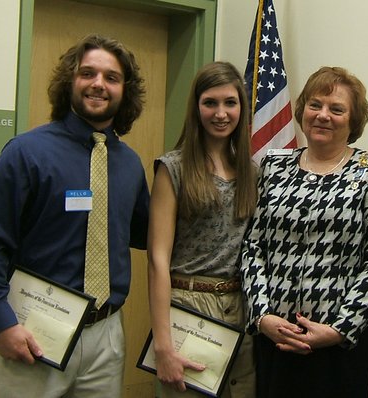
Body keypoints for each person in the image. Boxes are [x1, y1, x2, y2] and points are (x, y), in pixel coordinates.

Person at [0, 34, 149, 397]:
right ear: (70, 81)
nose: (98, 84)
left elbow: (144, 235)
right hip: (31, 329)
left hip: (105, 336)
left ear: (125, 90)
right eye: (87, 73)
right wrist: (1, 324)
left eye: (111, 77)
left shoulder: (129, 164)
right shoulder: (25, 153)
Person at [240, 66, 368, 398]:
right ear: (302, 111)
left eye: (336, 109)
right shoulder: (274, 165)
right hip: (276, 336)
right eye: (315, 105)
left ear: (353, 121)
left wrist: (338, 330)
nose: (323, 115)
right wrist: (262, 316)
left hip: (338, 345)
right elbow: (253, 247)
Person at [147, 61, 257, 397]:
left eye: (230, 103)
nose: (221, 113)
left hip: (241, 308)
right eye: (210, 103)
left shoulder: (252, 171)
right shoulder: (173, 168)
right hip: (188, 305)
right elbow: (157, 259)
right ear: (197, 107)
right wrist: (163, 346)